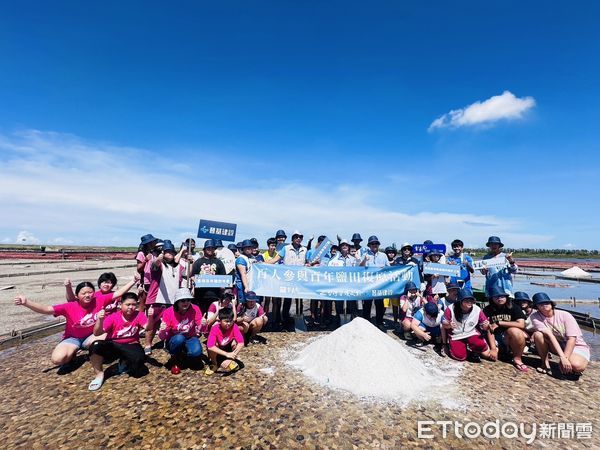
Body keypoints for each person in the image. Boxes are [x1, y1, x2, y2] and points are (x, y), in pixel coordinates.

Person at [14, 282, 111, 369]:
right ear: (76, 295)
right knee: (58, 359)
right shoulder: (69, 306)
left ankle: (91, 352)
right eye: (83, 293)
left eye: (90, 292)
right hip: (73, 339)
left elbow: (118, 293)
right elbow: (46, 309)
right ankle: (73, 353)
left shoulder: (98, 300)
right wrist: (26, 302)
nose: (87, 295)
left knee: (108, 334)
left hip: (90, 336)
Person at [87, 292, 149, 390]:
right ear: (121, 305)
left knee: (139, 364)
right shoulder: (113, 317)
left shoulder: (139, 315)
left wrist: (151, 318)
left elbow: (148, 328)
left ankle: (124, 361)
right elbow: (97, 333)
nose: (131, 307)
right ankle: (99, 375)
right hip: (114, 344)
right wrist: (100, 320)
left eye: (134, 304)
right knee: (95, 345)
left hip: (131, 344)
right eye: (128, 304)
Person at [530, 292, 590, 377]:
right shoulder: (535, 316)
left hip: (576, 346)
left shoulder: (565, 315)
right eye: (540, 304)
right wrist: (562, 357)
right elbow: (550, 336)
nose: (544, 305)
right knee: (538, 334)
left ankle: (572, 365)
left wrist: (565, 358)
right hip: (557, 345)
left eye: (546, 302)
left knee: (577, 366)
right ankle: (544, 364)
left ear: (551, 303)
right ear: (536, 307)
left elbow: (572, 339)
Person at [144, 240, 184, 355]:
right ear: (163, 253)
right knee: (152, 324)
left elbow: (185, 274)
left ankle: (167, 343)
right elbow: (154, 265)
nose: (170, 254)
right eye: (167, 252)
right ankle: (148, 344)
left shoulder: (178, 267)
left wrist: (184, 253)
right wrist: (159, 259)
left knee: (170, 325)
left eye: (172, 252)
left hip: (171, 301)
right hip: (156, 299)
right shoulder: (159, 263)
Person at [157, 288, 205, 375]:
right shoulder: (168, 312)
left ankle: (184, 355)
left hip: (190, 337)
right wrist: (162, 330)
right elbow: (162, 337)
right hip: (174, 339)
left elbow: (202, 330)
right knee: (179, 338)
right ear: (177, 301)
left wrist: (204, 324)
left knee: (196, 352)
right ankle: (175, 359)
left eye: (188, 300)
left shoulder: (195, 309)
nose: (186, 303)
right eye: (182, 300)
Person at [483, 286, 529, 372]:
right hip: (494, 337)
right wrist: (493, 348)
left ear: (506, 297)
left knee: (515, 331)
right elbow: (489, 328)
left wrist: (499, 323)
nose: (499, 299)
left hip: (508, 336)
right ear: (492, 298)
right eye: (496, 297)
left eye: (502, 296)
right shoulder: (487, 309)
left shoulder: (514, 307)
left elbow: (521, 324)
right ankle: (501, 350)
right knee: (488, 355)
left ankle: (517, 358)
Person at [268, 231, 307, 327]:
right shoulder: (286, 248)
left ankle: (298, 318)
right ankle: (283, 318)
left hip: (300, 279)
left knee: (300, 299)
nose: (298, 238)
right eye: (296, 237)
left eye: (300, 237)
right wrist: (262, 263)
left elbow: (308, 262)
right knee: (287, 299)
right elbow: (274, 260)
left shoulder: (304, 249)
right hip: (287, 279)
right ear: (292, 238)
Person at [442, 289, 492, 362]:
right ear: (460, 301)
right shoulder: (450, 309)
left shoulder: (477, 309)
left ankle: (474, 350)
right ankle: (464, 349)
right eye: (466, 300)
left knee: (481, 346)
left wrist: (486, 326)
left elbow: (483, 325)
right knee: (459, 357)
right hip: (456, 335)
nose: (469, 302)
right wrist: (449, 325)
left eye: (471, 300)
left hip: (471, 332)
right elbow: (443, 324)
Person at [65, 272, 140, 315]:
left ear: (113, 285)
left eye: (109, 283)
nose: (106, 285)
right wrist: (68, 287)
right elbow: (72, 300)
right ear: (99, 284)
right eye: (104, 282)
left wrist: (139, 291)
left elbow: (129, 299)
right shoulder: (92, 295)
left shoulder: (116, 295)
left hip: (112, 321)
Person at [359, 235, 390, 329]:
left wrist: (384, 269)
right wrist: (365, 260)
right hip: (368, 285)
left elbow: (389, 269)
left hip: (380, 285)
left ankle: (379, 323)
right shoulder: (365, 254)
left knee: (379, 305)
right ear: (369, 245)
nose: (374, 245)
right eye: (372, 244)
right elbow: (359, 268)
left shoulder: (383, 255)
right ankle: (366, 324)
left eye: (376, 243)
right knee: (367, 305)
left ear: (378, 245)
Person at [205, 308, 245, 375]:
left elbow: (241, 343)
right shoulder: (214, 328)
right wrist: (227, 354)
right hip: (217, 351)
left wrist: (232, 355)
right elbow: (210, 347)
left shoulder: (234, 326)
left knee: (235, 343)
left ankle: (230, 359)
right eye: (226, 321)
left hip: (227, 348)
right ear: (220, 321)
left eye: (230, 321)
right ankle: (214, 363)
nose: (229, 324)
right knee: (215, 344)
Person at [191, 239, 227, 312]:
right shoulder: (198, 262)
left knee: (213, 315)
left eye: (212, 248)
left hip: (215, 295)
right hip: (200, 295)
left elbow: (224, 277)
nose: (210, 250)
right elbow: (192, 275)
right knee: (201, 316)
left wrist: (223, 286)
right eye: (208, 248)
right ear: (204, 250)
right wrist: (196, 281)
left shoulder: (219, 262)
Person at [328, 239, 359, 318]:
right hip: (338, 285)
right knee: (339, 305)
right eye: (342, 245)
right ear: (340, 247)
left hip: (350, 286)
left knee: (351, 305)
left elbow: (358, 270)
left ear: (348, 247)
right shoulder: (335, 259)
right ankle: (339, 320)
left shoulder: (353, 259)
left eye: (346, 245)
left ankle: (351, 321)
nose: (344, 246)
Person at [234, 239, 258, 305]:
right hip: (242, 285)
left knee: (251, 304)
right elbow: (243, 274)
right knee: (242, 304)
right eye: (246, 247)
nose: (248, 249)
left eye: (250, 247)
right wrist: (246, 287)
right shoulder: (241, 259)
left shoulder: (253, 257)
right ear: (243, 249)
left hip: (251, 284)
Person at [260, 238, 279, 316]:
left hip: (275, 281)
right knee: (267, 301)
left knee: (275, 301)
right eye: (271, 245)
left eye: (274, 245)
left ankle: (274, 320)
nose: (273, 247)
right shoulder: (263, 255)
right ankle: (265, 319)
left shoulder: (278, 255)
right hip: (266, 281)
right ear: (268, 246)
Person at [383, 246, 401, 326]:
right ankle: (381, 318)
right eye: (389, 252)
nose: (391, 254)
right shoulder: (383, 262)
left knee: (395, 305)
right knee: (384, 304)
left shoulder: (397, 263)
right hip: (385, 287)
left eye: (392, 252)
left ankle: (395, 320)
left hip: (394, 287)